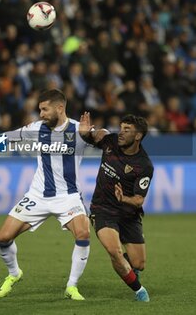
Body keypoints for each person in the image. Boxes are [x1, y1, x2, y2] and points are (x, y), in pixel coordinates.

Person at [0, 89, 90, 300]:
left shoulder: (80, 130)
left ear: (60, 108)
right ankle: (14, 274)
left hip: (68, 196)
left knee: (83, 234)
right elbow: (11, 137)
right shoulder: (36, 128)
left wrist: (94, 135)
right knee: (3, 237)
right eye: (40, 109)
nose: (41, 113)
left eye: (44, 109)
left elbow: (105, 139)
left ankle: (72, 286)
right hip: (38, 195)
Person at [79, 112, 153, 302]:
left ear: (138, 136)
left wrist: (123, 198)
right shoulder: (110, 142)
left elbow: (138, 200)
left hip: (129, 214)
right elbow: (92, 137)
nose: (121, 133)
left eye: (127, 130)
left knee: (139, 264)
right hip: (102, 209)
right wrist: (85, 133)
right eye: (121, 128)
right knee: (115, 251)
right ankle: (139, 290)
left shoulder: (144, 165)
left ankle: (125, 267)